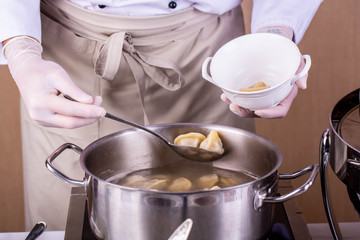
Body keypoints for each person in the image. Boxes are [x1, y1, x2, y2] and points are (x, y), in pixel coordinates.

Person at [0, 0, 322, 231]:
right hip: (69, 64)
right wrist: (21, 52)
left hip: (209, 60)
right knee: (68, 218)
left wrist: (274, 44)